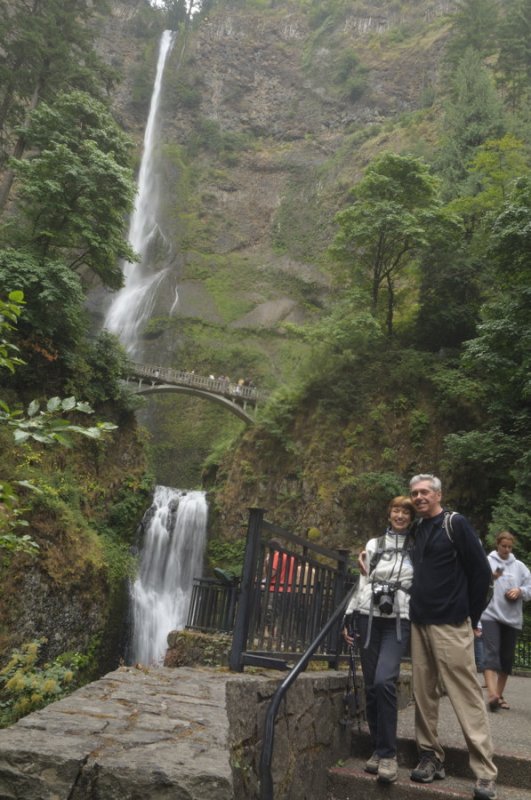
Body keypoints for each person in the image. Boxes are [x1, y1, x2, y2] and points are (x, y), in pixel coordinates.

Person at [407, 474, 498, 800]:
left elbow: (481, 573)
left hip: (451, 623)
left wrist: (469, 615)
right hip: (419, 623)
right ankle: (430, 756)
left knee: (466, 695)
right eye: (414, 493)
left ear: (438, 494)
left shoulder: (455, 523)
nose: (419, 497)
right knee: (423, 694)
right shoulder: (417, 530)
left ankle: (485, 772)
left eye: (424, 492)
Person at [343, 496, 415, 784]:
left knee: (385, 680)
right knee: (372, 686)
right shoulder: (374, 545)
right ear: (389, 513)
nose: (400, 515)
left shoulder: (416, 547)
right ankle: (377, 748)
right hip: (368, 617)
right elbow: (363, 581)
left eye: (405, 512)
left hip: (398, 620)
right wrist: (349, 614)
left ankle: (388, 755)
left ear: (411, 517)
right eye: (396, 510)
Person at [481, 530, 531, 711]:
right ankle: (492, 695)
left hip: (511, 618)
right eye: (504, 546)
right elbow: (477, 582)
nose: (507, 549)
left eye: (510, 547)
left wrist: (520, 591)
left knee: (506, 658)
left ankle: (499, 695)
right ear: (497, 545)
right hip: (490, 614)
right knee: (491, 654)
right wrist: (491, 577)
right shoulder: (488, 562)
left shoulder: (519, 566)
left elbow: (529, 588)